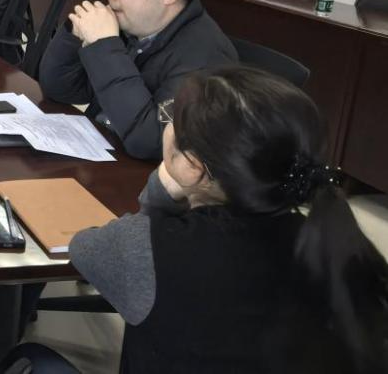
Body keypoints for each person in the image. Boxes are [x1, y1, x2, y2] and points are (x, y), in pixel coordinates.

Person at [37, 68, 387, 374]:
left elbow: (82, 248)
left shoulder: (145, 248)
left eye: (172, 116)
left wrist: (163, 192)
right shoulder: (339, 247)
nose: (167, 122)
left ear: (192, 166)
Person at [38, 0, 236, 159]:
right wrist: (75, 34)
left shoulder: (205, 58)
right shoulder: (135, 27)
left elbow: (153, 142)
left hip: (136, 174)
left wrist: (105, 46)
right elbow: (61, 89)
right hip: (99, 150)